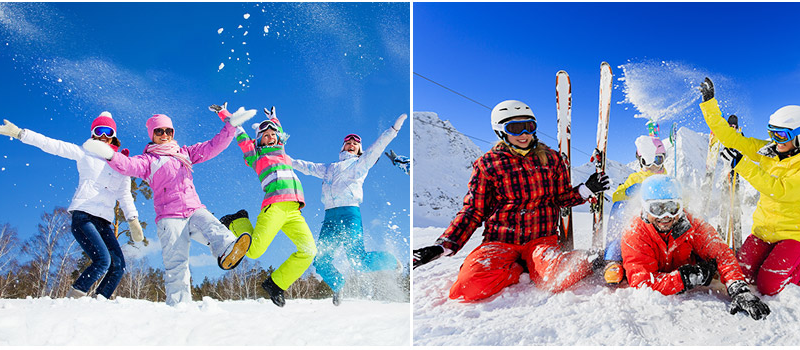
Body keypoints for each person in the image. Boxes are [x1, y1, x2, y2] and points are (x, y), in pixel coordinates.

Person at [412, 100, 610, 302]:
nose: (524, 134)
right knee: (466, 289)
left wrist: (587, 189)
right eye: (515, 128)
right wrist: (442, 246)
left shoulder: (552, 159)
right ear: (501, 131)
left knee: (556, 278)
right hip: (501, 241)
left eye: (529, 126)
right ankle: (518, 268)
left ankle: (584, 260)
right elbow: (473, 211)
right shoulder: (488, 164)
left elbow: (561, 199)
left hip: (541, 239)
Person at [83, 105, 255, 306]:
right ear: (152, 134)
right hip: (169, 217)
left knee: (214, 226)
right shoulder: (148, 160)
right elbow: (128, 165)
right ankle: (179, 307)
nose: (164, 135)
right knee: (177, 264)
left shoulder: (185, 153)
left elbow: (212, 146)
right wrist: (110, 154)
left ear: (173, 133)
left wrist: (231, 127)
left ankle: (228, 250)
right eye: (159, 131)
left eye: (168, 131)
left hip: (193, 209)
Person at [0, 112, 144, 299]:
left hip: (104, 222)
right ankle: (73, 300)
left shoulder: (121, 165)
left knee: (118, 265)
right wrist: (21, 133)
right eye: (99, 130)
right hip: (84, 216)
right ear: (93, 134)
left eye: (108, 131)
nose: (103, 136)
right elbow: (51, 145)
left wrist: (133, 219)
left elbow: (125, 195)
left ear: (114, 135)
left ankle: (99, 303)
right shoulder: (84, 153)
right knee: (102, 260)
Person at [698, 77, 800, 295]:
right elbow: (731, 139)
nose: (775, 140)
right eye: (771, 132)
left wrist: (742, 165)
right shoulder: (773, 150)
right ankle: (775, 261)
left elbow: (781, 190)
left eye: (781, 134)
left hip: (795, 234)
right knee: (741, 275)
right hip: (765, 230)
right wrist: (709, 104)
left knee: (768, 285)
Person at [286, 114, 407, 306]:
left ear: (360, 149)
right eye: (347, 142)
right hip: (330, 218)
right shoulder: (329, 168)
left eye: (355, 143)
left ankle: (391, 261)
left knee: (358, 261)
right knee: (321, 260)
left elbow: (377, 148)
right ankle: (338, 284)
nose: (351, 144)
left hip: (350, 214)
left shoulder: (361, 163)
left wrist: (392, 131)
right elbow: (307, 167)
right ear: (342, 147)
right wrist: (287, 160)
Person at [621, 175, 771, 320]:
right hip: (669, 276)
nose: (665, 216)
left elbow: (722, 253)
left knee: (712, 258)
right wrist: (685, 278)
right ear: (645, 209)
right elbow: (642, 282)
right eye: (656, 209)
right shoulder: (635, 233)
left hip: (685, 262)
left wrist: (738, 288)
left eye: (672, 208)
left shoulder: (691, 223)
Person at [217, 106, 316, 308]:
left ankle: (275, 284)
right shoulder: (257, 156)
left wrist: (274, 118)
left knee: (309, 251)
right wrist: (226, 115)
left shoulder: (282, 152)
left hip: (295, 212)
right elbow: (240, 133)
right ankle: (236, 221)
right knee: (252, 252)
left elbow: (277, 131)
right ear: (259, 140)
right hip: (275, 206)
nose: (270, 138)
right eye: (265, 135)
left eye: (273, 135)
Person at [603, 135, 667, 284]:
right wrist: (627, 192)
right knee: (620, 207)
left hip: (661, 223)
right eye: (647, 161)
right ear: (640, 161)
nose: (653, 166)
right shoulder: (634, 178)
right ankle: (614, 260)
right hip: (639, 224)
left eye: (657, 160)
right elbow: (616, 196)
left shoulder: (667, 179)